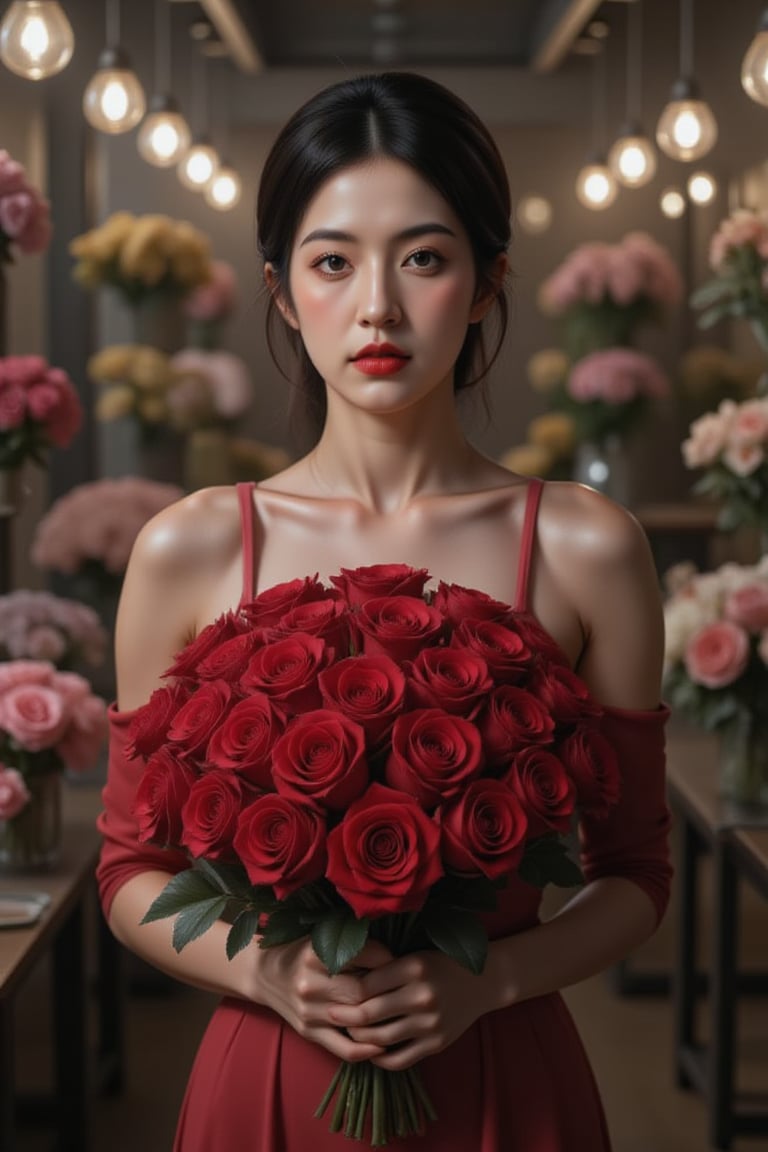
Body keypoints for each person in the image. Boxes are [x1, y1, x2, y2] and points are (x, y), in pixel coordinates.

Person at [97, 72, 672, 1151]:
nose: (378, 308)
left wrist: (490, 980)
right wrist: (267, 971)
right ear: (279, 289)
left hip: (504, 1076)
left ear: (490, 278)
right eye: (332, 262)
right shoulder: (190, 546)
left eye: (423, 258)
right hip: (268, 1078)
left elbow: (635, 872)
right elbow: (131, 868)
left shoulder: (589, 547)